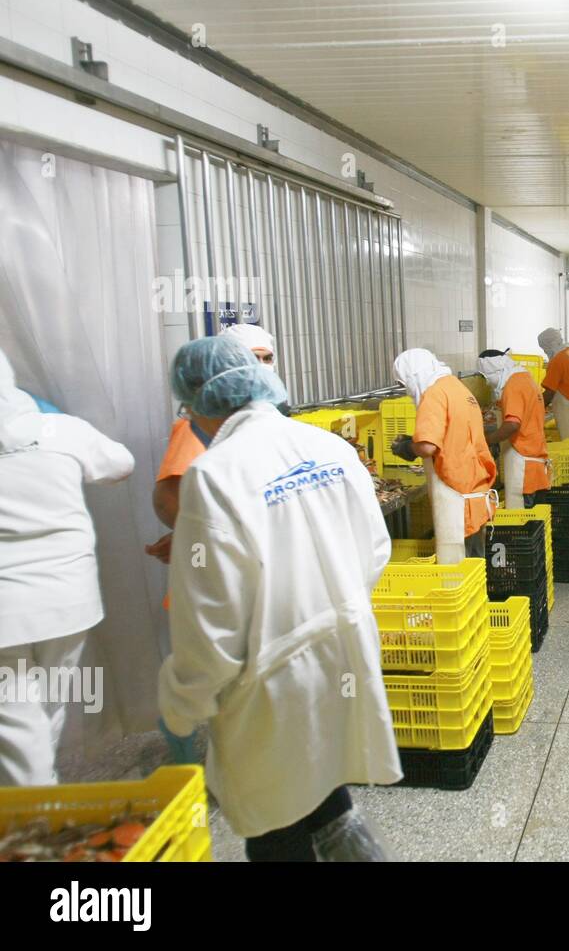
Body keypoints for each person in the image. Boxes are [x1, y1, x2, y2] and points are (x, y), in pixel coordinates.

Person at [156, 336, 398, 861]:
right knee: (326, 787)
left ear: (199, 403)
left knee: (275, 828)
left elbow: (211, 623)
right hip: (346, 652)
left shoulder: (214, 474)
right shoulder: (328, 448)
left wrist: (181, 702)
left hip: (268, 685)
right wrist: (331, 603)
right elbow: (375, 548)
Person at [0, 348, 134, 785]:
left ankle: (34, 817)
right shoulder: (59, 430)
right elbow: (121, 465)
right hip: (68, 598)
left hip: (7, 611)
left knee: (16, 719)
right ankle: (39, 808)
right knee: (49, 705)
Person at [146, 322, 279, 566]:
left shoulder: (272, 419)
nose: (261, 368)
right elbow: (167, 498)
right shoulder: (197, 424)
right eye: (253, 358)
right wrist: (196, 535)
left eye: (267, 358)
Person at [391, 348, 497, 564]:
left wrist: (408, 448)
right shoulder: (457, 387)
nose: (408, 390)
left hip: (455, 496)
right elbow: (452, 435)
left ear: (413, 375)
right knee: (475, 565)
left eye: (405, 383)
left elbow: (428, 447)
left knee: (458, 569)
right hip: (474, 488)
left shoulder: (434, 394)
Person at [478, 349, 550, 508]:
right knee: (535, 522)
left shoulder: (513, 386)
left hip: (524, 464)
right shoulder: (525, 378)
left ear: (496, 372)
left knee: (522, 521)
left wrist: (487, 440)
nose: (488, 383)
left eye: (487, 377)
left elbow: (512, 424)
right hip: (535, 458)